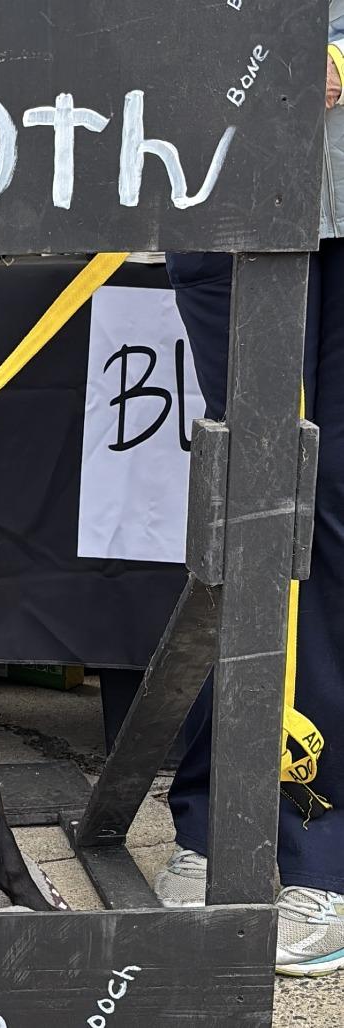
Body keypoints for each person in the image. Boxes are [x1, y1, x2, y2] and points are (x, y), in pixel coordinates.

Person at [154, 12, 344, 978]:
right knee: (242, 507)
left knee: (329, 519)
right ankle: (217, 818)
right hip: (219, 186)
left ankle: (320, 849)